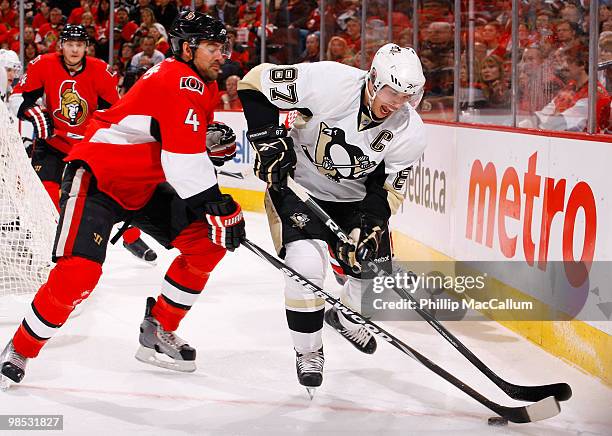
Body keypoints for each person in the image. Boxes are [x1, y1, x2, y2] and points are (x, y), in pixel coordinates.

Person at [0, 11, 245, 388]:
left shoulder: (200, 83)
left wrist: (206, 144)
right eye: (213, 47)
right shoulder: (182, 80)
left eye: (222, 46)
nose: (221, 55)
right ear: (186, 48)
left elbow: (176, 142)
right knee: (78, 274)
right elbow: (182, 164)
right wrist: (218, 205)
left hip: (144, 184)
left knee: (205, 246)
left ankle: (159, 328)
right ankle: (20, 347)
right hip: (99, 175)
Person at [237, 43, 427, 392]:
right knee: (305, 267)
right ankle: (308, 351)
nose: (399, 103)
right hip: (298, 187)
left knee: (370, 277)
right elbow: (253, 83)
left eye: (408, 97)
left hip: (354, 200)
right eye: (392, 91)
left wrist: (369, 228)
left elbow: (389, 190)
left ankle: (345, 317)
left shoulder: (409, 130)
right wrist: (268, 140)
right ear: (373, 80)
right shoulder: (328, 81)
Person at [14, 25, 159, 264]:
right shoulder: (43, 64)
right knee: (48, 194)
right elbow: (20, 97)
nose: (74, 49)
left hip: (88, 147)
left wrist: (100, 137)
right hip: (52, 143)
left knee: (108, 194)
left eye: (79, 45)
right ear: (61, 45)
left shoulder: (100, 71)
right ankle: (60, 242)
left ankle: (131, 237)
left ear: (86, 48)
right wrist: (32, 112)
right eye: (69, 44)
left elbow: (113, 111)